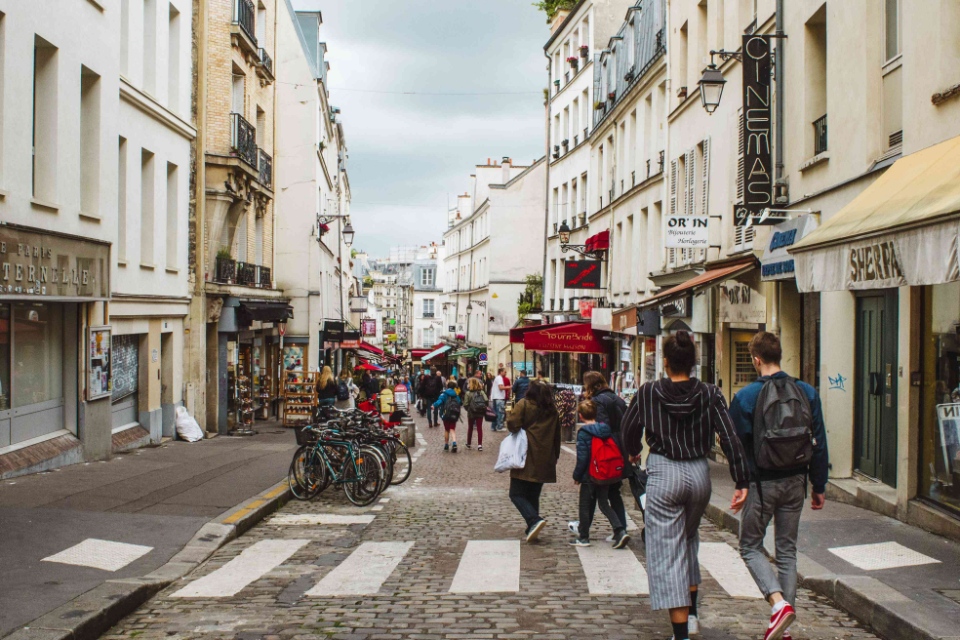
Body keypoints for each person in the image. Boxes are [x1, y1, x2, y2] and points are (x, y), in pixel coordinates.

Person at [621, 332, 750, 640]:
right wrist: (742, 478)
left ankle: (680, 636)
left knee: (667, 551)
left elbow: (627, 429)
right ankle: (691, 615)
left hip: (665, 473)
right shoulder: (710, 393)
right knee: (689, 539)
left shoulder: (647, 392)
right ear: (694, 363)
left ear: (665, 363)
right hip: (699, 475)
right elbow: (729, 436)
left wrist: (632, 451)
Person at [729, 332, 829, 640]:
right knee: (787, 550)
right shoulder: (806, 391)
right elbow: (820, 440)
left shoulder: (746, 397)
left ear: (756, 360)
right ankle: (784, 629)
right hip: (796, 482)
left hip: (761, 483)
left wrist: (741, 481)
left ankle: (778, 605)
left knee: (749, 545)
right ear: (779, 355)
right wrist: (818, 484)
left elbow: (733, 444)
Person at [568, 371, 629, 544]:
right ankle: (620, 528)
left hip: (600, 460)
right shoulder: (617, 398)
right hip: (617, 453)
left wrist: (578, 475)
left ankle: (584, 534)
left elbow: (594, 441)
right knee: (611, 495)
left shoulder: (597, 403)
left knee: (589, 499)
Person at [506, 380, 560, 542]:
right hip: (545, 456)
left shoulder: (524, 404)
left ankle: (534, 520)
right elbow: (557, 436)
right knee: (533, 495)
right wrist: (554, 457)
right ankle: (532, 529)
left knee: (516, 493)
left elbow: (512, 424)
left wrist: (510, 414)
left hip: (526, 454)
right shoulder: (552, 410)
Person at [433, 380, 461, 452]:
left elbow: (440, 401)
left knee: (446, 429)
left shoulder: (444, 394)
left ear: (447, 386)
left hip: (446, 414)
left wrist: (434, 405)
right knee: (452, 429)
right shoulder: (456, 394)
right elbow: (459, 402)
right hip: (454, 414)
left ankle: (446, 444)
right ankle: (454, 442)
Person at [463, 376, 488, 451]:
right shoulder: (481, 392)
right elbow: (486, 400)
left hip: (471, 412)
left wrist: (469, 409)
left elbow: (465, 404)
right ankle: (479, 445)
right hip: (480, 411)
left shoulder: (468, 393)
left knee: (470, 428)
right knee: (479, 428)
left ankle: (469, 443)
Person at [490, 366, 510, 431]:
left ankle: (493, 426)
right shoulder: (499, 378)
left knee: (495, 413)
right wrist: (509, 387)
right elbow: (501, 387)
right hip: (499, 398)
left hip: (496, 397)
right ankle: (499, 426)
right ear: (501, 372)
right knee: (500, 412)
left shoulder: (497, 378)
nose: (505, 373)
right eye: (505, 372)